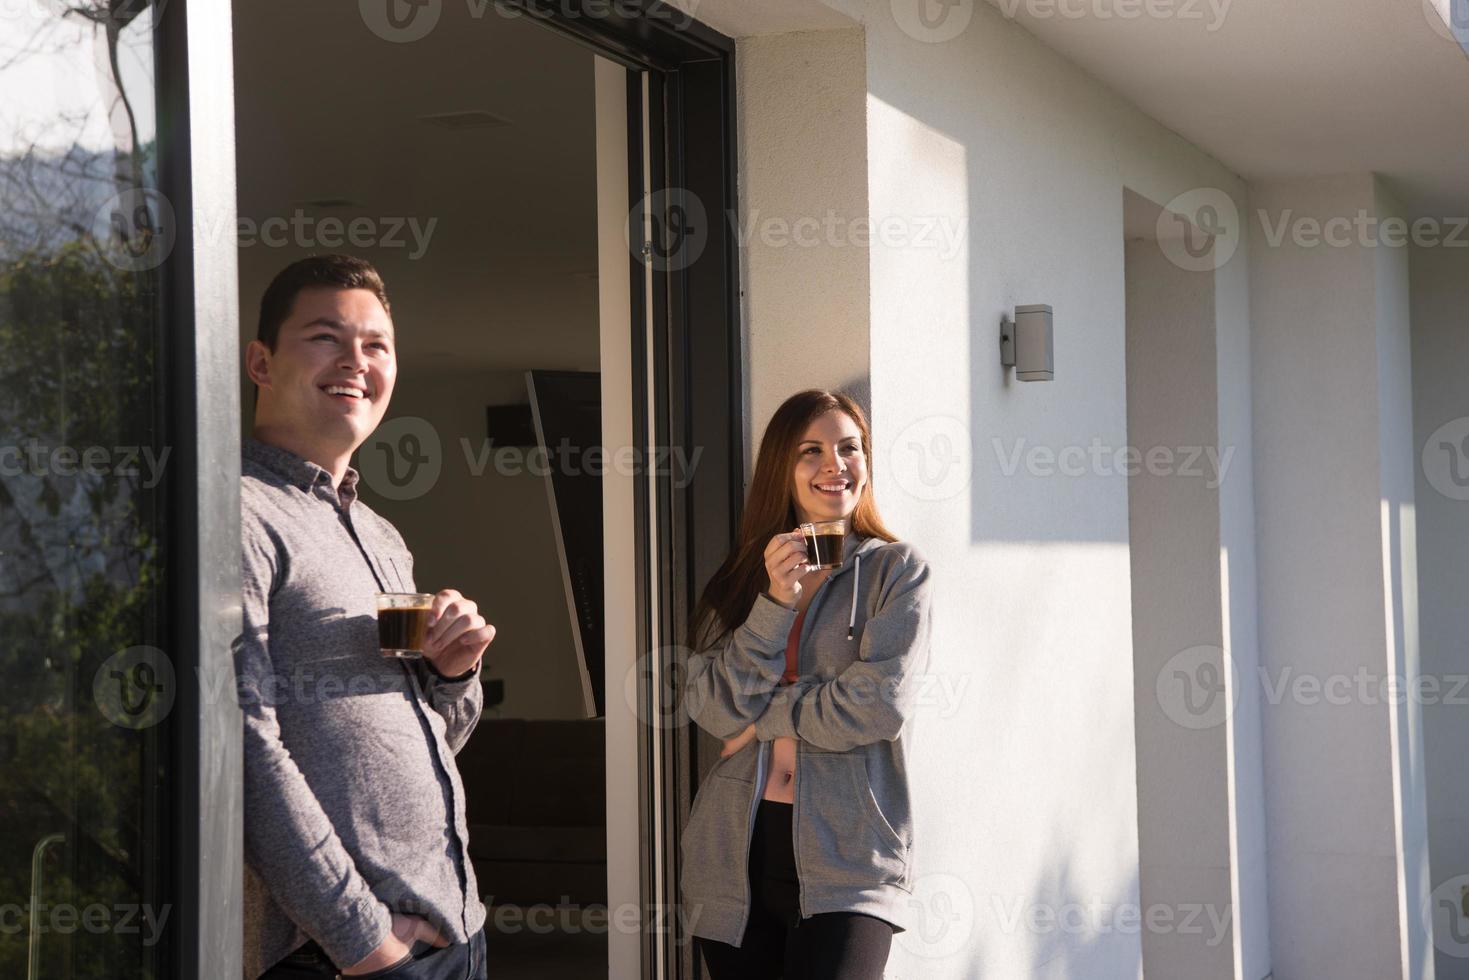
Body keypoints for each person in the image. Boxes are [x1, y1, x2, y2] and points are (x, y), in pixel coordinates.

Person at [237, 255, 496, 979]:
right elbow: (241, 748)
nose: (356, 361)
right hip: (342, 955)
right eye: (326, 337)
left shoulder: (381, 535)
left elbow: (429, 737)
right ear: (261, 362)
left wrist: (453, 675)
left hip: (452, 932)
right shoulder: (238, 512)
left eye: (376, 345)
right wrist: (364, 942)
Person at [681, 389, 934, 979]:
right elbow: (715, 709)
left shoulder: (896, 571)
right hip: (732, 858)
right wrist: (775, 602)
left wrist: (760, 720)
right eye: (811, 451)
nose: (834, 464)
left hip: (850, 858)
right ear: (781, 469)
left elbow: (877, 706)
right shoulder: (744, 577)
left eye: (849, 448)